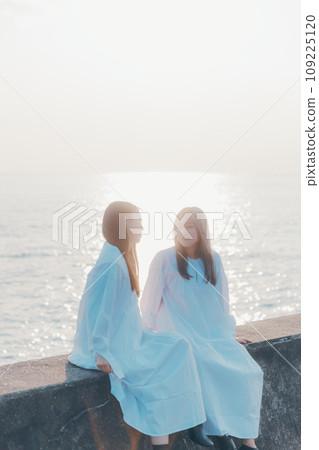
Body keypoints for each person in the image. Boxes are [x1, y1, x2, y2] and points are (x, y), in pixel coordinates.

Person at [68, 201, 214, 450]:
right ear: (121, 227)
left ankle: (195, 424)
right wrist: (101, 350)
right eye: (136, 222)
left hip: (131, 337)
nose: (142, 225)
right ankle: (164, 441)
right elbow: (97, 312)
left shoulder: (122, 256)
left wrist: (145, 331)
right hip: (109, 347)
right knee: (159, 374)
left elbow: (123, 310)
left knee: (179, 344)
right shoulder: (111, 263)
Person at [140, 206, 264, 450]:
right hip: (179, 334)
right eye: (180, 226)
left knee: (248, 370)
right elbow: (149, 305)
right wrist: (145, 336)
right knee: (201, 361)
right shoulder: (164, 258)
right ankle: (219, 434)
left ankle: (248, 441)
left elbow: (222, 303)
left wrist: (228, 335)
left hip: (212, 334)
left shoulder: (213, 259)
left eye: (190, 226)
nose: (184, 231)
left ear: (201, 229)